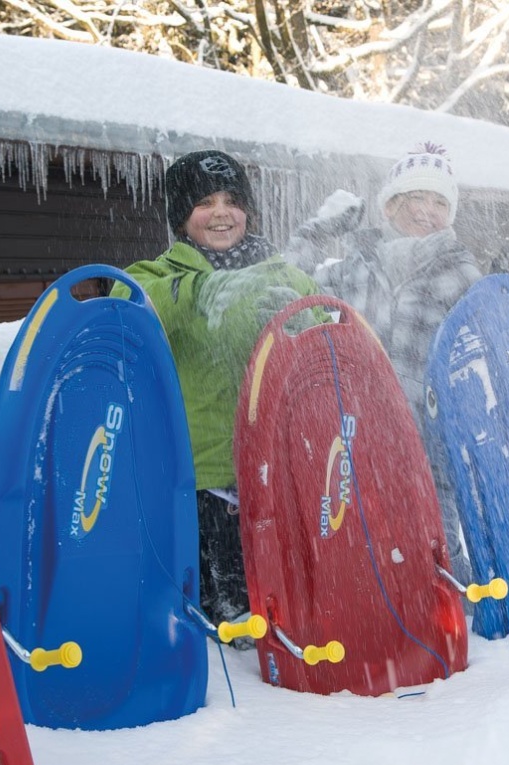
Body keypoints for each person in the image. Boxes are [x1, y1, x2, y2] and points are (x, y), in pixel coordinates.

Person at [123, 150, 319, 628]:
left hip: (278, 468)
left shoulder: (286, 275)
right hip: (205, 478)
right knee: (227, 618)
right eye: (205, 202)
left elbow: (324, 346)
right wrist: (199, 292)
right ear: (181, 217)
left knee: (287, 601)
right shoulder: (157, 275)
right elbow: (125, 304)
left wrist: (301, 318)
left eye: (232, 200)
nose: (221, 213)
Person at [285, 141, 482, 583]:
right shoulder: (352, 269)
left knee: (437, 559)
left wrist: (507, 290)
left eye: (439, 202)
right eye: (416, 197)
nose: (426, 211)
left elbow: (486, 349)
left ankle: (452, 633)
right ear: (391, 205)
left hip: (431, 443)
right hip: (357, 437)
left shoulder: (462, 272)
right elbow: (282, 292)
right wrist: (314, 234)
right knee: (366, 558)